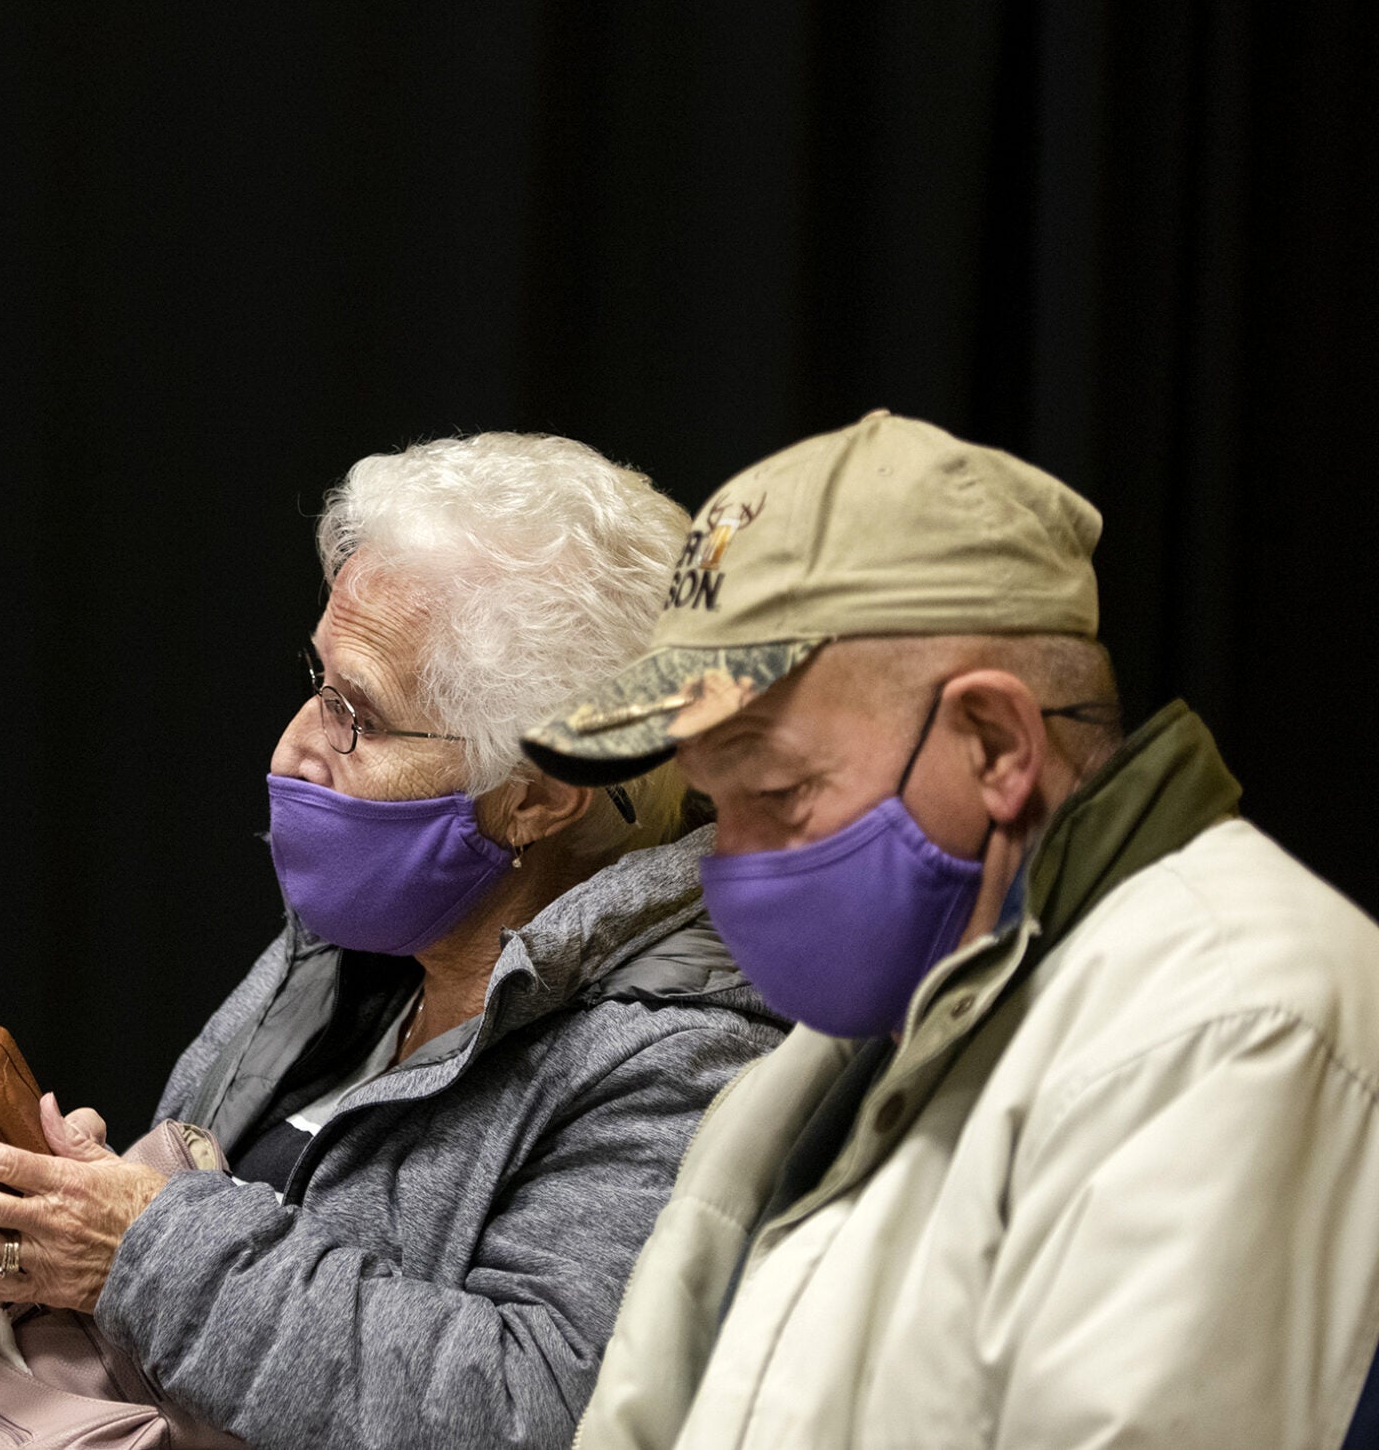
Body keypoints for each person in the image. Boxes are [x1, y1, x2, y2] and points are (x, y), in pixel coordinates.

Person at [0, 432, 789, 1449]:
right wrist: (83, 1208)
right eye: (317, 681)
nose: (292, 747)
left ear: (537, 795)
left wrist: (141, 1244)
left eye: (354, 714)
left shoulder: (684, 1055)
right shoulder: (359, 952)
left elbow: (532, 1407)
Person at [524, 411, 1379, 1450]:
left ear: (994, 742)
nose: (728, 862)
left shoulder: (1225, 1017)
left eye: (778, 790)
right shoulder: (820, 1064)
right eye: (712, 801)